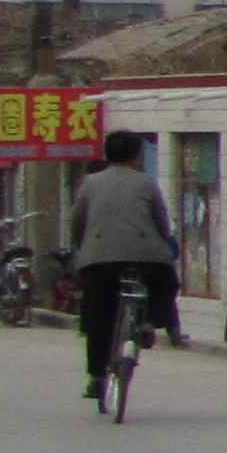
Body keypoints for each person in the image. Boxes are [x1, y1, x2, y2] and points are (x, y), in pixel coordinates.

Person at [65, 131, 183, 400]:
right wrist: (165, 243)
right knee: (167, 282)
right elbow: (162, 224)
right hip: (146, 255)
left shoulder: (90, 183)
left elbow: (78, 222)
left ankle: (96, 377)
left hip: (99, 258)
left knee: (97, 315)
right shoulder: (146, 183)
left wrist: (83, 249)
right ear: (136, 155)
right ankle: (151, 322)